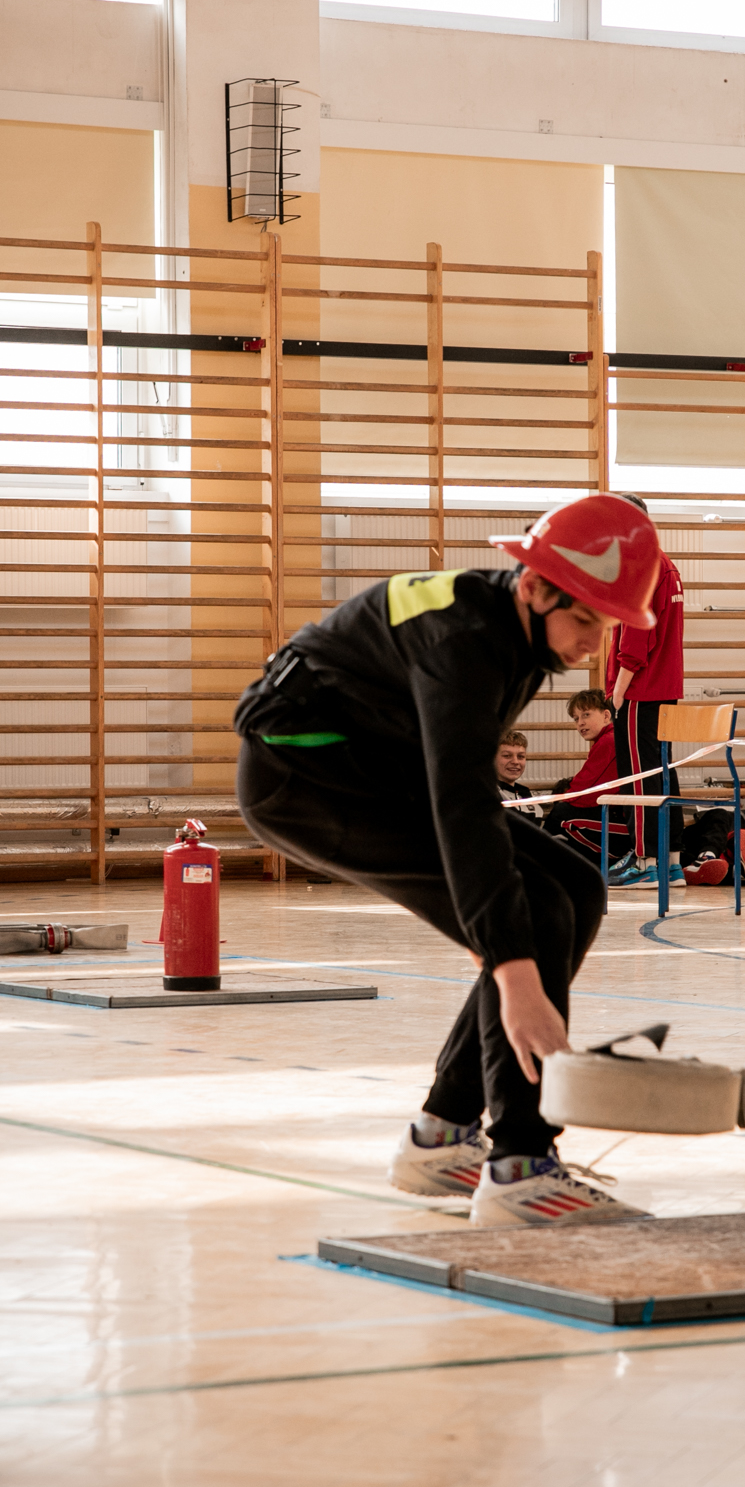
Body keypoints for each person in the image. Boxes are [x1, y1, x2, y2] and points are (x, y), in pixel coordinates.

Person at [233, 493, 662, 1227]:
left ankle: (441, 1138)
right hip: (304, 779)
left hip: (378, 768)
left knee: (574, 886)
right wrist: (513, 975)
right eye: (585, 620)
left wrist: (503, 952)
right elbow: (465, 809)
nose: (594, 644)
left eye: (607, 624)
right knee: (529, 915)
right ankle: (520, 1166)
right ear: (536, 586)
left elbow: (459, 798)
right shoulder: (466, 642)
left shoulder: (518, 630)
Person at [604, 495, 685, 886]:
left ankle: (645, 860)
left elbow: (636, 641)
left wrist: (618, 693)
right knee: (663, 774)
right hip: (663, 689)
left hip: (641, 691)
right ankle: (672, 862)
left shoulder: (642, 569)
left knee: (641, 777)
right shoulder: (665, 564)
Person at [541, 688, 631, 868]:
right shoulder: (611, 738)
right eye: (576, 719)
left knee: (561, 814)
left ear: (606, 716)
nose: (580, 723)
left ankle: (536, 864)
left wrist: (562, 800)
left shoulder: (609, 741)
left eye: (586, 715)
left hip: (627, 827)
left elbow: (584, 793)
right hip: (623, 820)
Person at [496, 729, 541, 813]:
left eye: (520, 756)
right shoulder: (487, 794)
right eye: (507, 756)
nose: (515, 762)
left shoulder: (525, 792)